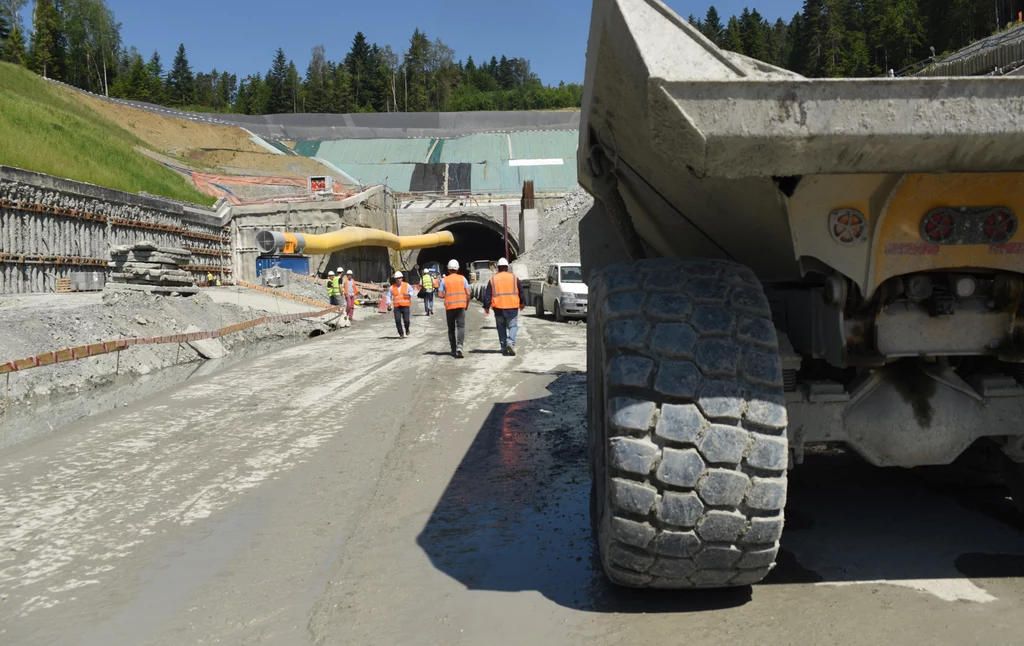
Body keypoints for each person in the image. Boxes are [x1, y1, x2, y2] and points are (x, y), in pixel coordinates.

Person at [483, 257, 525, 356]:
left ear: (498, 268)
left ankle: (503, 347)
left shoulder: (493, 279)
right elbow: (521, 292)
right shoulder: (514, 278)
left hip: (498, 308)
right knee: (513, 326)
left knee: (501, 328)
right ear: (507, 267)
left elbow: (488, 294)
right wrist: (522, 303)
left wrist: (486, 307)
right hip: (512, 307)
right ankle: (510, 342)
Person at [438, 259, 470, 358]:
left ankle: (453, 349)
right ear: (458, 269)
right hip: (461, 306)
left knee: (451, 329)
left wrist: (446, 295)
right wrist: (466, 305)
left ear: (448, 269)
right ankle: (459, 346)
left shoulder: (444, 280)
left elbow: (439, 294)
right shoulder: (462, 278)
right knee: (461, 327)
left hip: (450, 307)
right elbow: (468, 293)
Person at [386, 271, 414, 338]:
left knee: (406, 320)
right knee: (397, 320)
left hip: (405, 305)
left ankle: (407, 329)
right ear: (395, 279)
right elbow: (388, 296)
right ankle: (401, 333)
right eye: (397, 278)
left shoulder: (406, 285)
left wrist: (409, 294)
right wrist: (389, 303)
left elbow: (412, 291)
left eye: (399, 278)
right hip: (397, 306)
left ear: (402, 278)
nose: (398, 279)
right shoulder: (392, 287)